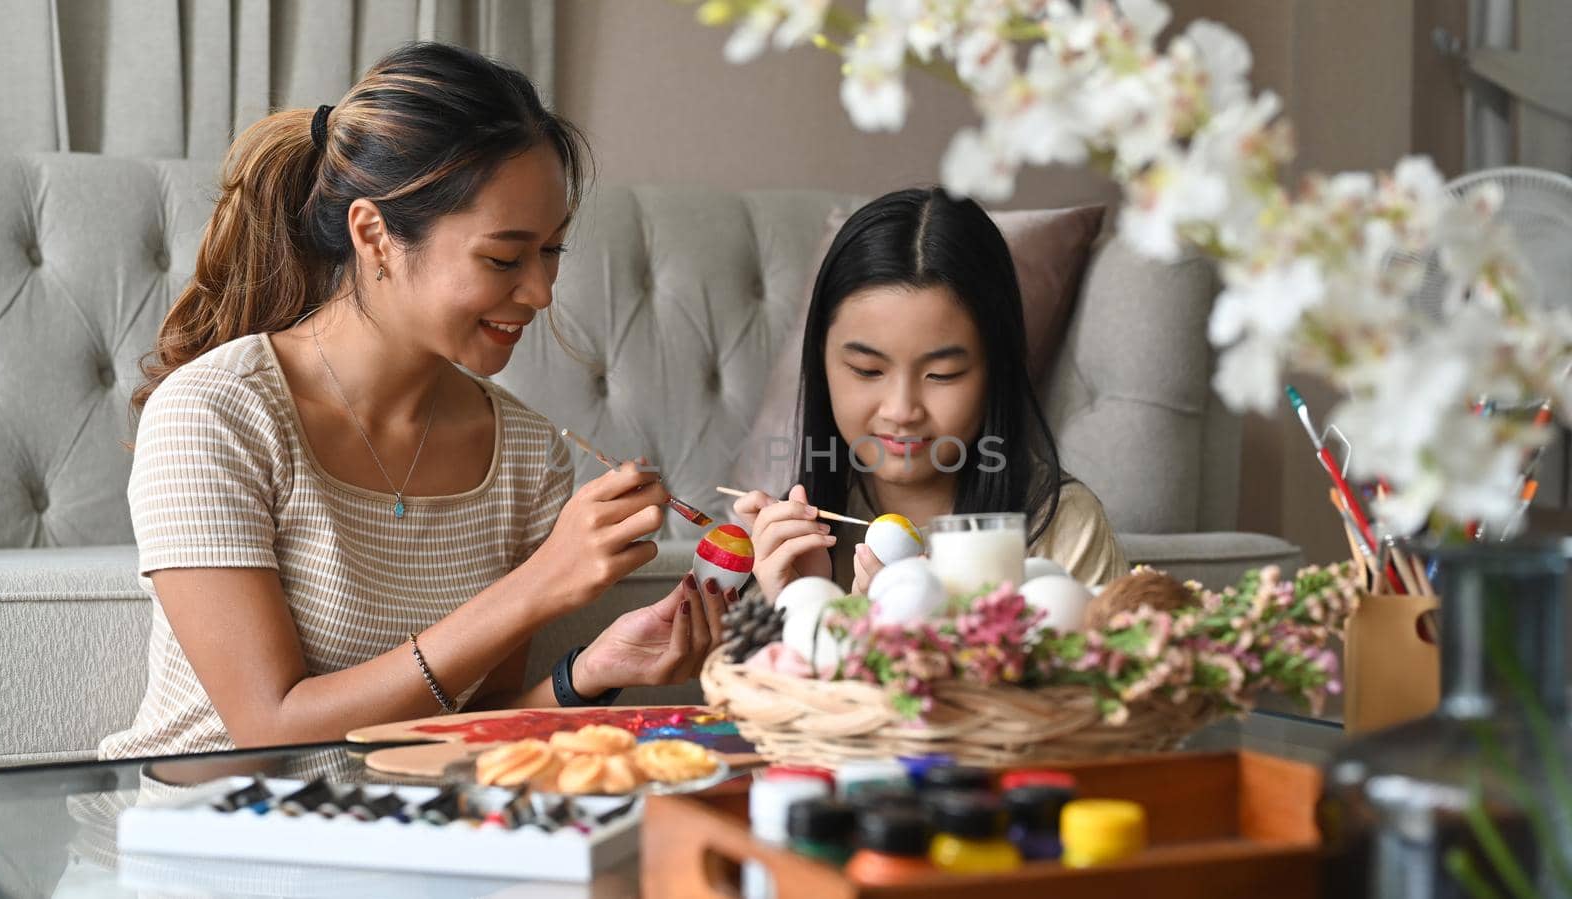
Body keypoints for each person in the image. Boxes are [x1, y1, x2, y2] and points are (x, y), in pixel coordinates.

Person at [101, 43, 729, 759]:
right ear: (374, 235)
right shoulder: (215, 415)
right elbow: (269, 727)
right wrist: (538, 585)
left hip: (403, 833)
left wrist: (587, 673)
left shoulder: (526, 453)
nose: (540, 292)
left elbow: (467, 729)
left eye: (551, 252)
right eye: (504, 258)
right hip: (204, 842)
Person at [734, 187, 1128, 601]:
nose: (902, 410)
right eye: (868, 370)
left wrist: (900, 635)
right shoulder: (793, 548)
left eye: (942, 374)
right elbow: (745, 666)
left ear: (996, 368)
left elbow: (1110, 664)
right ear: (822, 363)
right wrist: (797, 606)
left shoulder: (1062, 527)